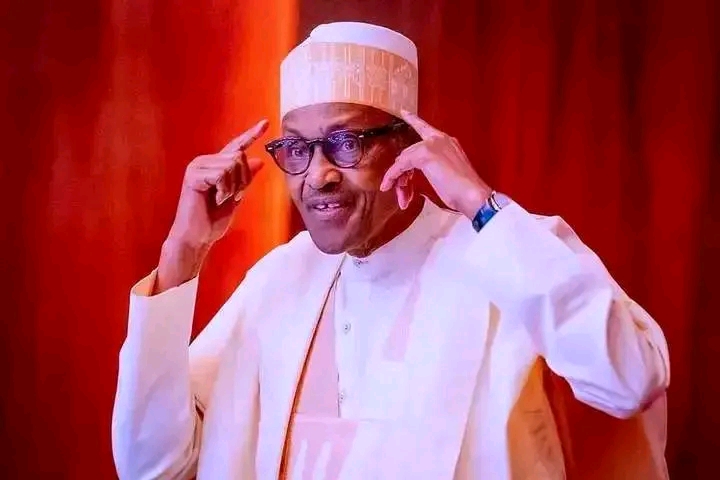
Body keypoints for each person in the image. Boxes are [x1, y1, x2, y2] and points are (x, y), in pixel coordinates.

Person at [111, 21, 670, 479]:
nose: (318, 175)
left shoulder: (505, 250)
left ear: (407, 142)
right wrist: (184, 251)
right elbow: (151, 465)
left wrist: (480, 206)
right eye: (298, 149)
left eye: (345, 142)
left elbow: (631, 378)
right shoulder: (280, 277)